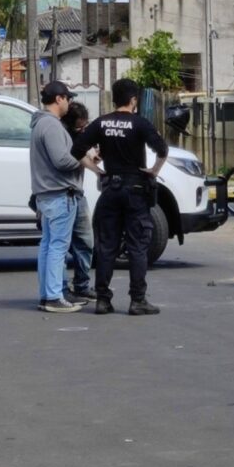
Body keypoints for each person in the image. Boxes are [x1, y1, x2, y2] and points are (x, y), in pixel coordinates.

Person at [71, 78, 168, 316]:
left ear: (114, 98)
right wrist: (153, 171)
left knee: (106, 247)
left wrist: (98, 171)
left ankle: (103, 300)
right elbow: (162, 150)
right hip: (135, 191)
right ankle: (138, 300)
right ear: (133, 100)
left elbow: (76, 150)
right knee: (137, 246)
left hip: (110, 190)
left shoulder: (101, 123)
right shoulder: (140, 123)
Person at [30, 81, 94, 313]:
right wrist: (84, 159)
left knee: (48, 246)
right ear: (58, 99)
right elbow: (61, 161)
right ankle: (54, 297)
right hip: (60, 195)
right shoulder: (52, 125)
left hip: (48, 195)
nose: (68, 103)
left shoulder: (41, 123)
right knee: (57, 247)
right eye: (67, 98)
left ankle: (48, 294)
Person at [60, 101, 95, 302]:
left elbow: (84, 157)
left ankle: (82, 284)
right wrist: (94, 168)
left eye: (85, 126)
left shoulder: (80, 137)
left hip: (77, 193)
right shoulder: (63, 137)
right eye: (79, 127)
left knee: (86, 240)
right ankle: (62, 288)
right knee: (61, 246)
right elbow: (71, 160)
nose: (83, 130)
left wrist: (93, 160)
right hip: (62, 194)